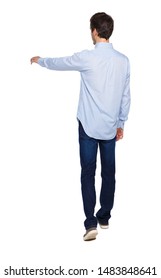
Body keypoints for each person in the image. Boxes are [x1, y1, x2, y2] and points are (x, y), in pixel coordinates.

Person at [31, 12, 131, 241]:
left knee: (87, 173)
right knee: (109, 173)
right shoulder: (123, 60)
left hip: (87, 126)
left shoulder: (87, 57)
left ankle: (91, 224)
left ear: (95, 31)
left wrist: (40, 60)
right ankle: (105, 216)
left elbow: (60, 63)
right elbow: (126, 96)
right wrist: (121, 123)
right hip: (110, 127)